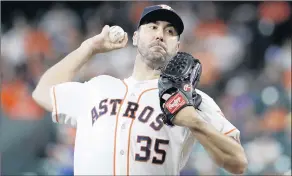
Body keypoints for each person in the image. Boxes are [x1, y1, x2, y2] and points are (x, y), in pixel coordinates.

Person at [32, 4, 248, 175]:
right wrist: (88, 48)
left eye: (170, 31)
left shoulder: (190, 98)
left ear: (178, 47)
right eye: (153, 27)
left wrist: (197, 123)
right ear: (135, 37)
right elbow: (42, 92)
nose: (160, 35)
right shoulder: (99, 86)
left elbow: (237, 163)